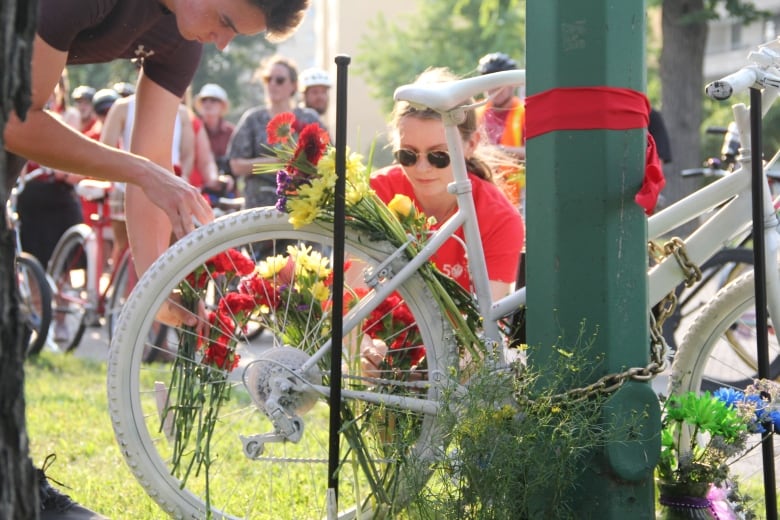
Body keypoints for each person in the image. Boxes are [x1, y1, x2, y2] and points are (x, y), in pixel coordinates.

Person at [2, 1, 311, 518]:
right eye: (230, 23)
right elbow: (17, 119)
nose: (224, 43)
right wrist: (143, 173)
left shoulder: (183, 37)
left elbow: (151, 165)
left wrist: (155, 282)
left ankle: (15, 487)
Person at [371, 67, 525, 300]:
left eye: (439, 156)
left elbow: (481, 325)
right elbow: (349, 297)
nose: (422, 169)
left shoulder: (499, 219)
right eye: (408, 155)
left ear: (470, 145)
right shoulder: (377, 193)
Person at [228, 54, 324, 211]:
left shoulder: (308, 118)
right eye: (268, 79)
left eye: (279, 80)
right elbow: (235, 165)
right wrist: (275, 163)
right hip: (259, 206)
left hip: (301, 205)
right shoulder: (253, 119)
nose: (272, 84)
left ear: (293, 85)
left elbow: (329, 158)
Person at [475, 52, 526, 212]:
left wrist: (501, 152)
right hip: (482, 196)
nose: (495, 88)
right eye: (489, 82)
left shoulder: (525, 112)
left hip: (520, 200)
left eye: (500, 82)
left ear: (512, 84)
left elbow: (539, 151)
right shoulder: (475, 113)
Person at [193, 82, 237, 201]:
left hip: (228, 193)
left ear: (222, 105)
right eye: (204, 100)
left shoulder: (232, 132)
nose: (208, 103)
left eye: (213, 100)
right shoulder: (192, 130)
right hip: (198, 191)